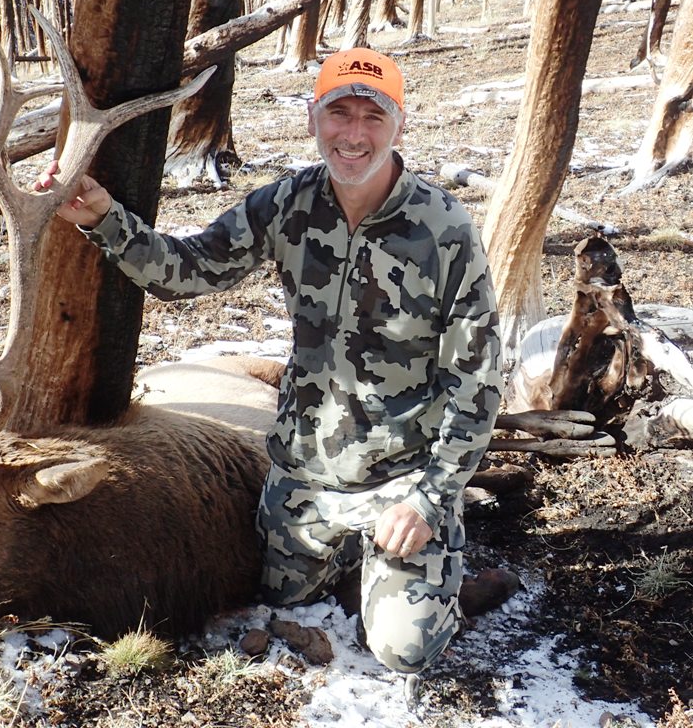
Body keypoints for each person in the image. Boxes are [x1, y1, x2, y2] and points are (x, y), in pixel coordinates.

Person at [36, 47, 502, 679]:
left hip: (401, 479)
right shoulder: (286, 205)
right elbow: (190, 267)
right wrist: (105, 220)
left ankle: (436, 548)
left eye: (374, 115)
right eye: (340, 114)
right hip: (306, 473)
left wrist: (428, 499)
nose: (355, 134)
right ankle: (354, 556)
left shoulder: (446, 229)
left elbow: (476, 384)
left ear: (399, 126)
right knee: (282, 597)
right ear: (314, 118)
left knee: (403, 649)